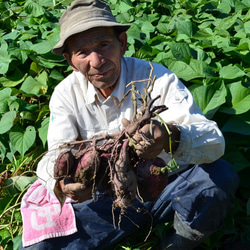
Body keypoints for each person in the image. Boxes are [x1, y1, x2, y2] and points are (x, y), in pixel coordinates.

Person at [19, 0, 239, 249]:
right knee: (40, 245)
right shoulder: (65, 94)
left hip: (165, 186)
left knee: (218, 177)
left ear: (122, 43)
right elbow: (54, 154)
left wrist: (170, 136)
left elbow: (214, 142)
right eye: (82, 53)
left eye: (104, 45)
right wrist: (63, 184)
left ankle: (178, 243)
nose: (96, 61)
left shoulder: (156, 77)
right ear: (70, 61)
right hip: (104, 200)